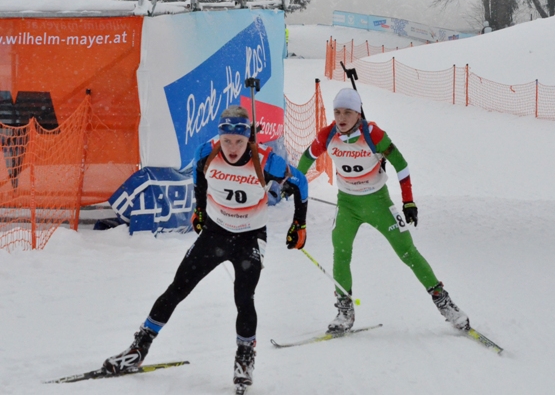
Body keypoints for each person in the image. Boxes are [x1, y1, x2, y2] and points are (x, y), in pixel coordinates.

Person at [102, 105, 309, 391]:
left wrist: (299, 224)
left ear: (248, 138)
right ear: (219, 137)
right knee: (177, 289)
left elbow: (301, 183)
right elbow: (198, 177)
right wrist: (199, 209)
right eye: (227, 141)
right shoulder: (207, 152)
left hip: (250, 238)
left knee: (244, 297)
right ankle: (139, 349)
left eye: (239, 141)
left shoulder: (266, 161)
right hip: (215, 234)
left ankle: (244, 358)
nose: (232, 148)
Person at [295, 88, 470, 334]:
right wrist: (292, 182)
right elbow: (306, 159)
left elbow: (401, 165)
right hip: (347, 205)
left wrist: (408, 202)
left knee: (407, 252)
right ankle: (344, 312)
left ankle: (445, 303)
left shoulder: (373, 134)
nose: (341, 118)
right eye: (337, 112)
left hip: (378, 203)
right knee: (341, 252)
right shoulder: (327, 135)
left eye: (348, 112)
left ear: (358, 114)